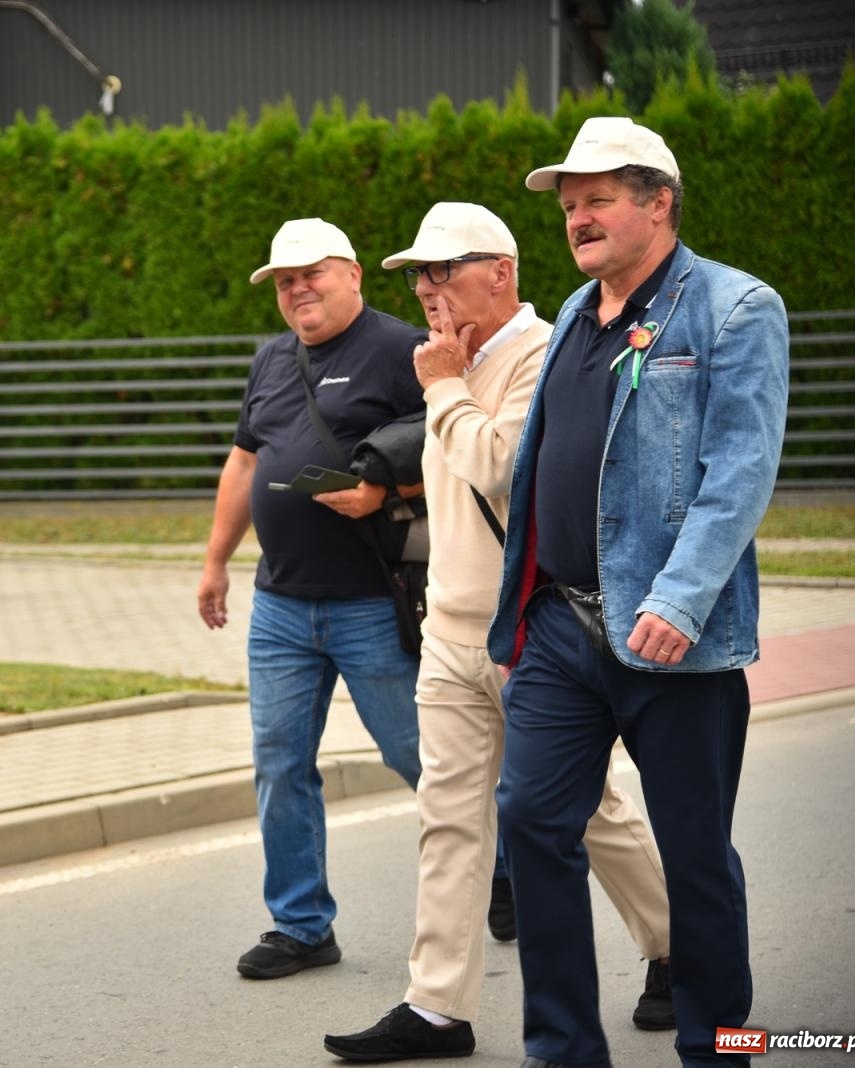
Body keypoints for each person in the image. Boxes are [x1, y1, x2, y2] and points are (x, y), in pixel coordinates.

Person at [322, 202, 673, 1063]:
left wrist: (440, 383)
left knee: (589, 809)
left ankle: (678, 948)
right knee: (446, 816)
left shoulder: (545, 352)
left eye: (444, 272)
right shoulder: (449, 359)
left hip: (534, 628)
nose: (428, 291)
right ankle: (439, 1006)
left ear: (502, 272)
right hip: (449, 627)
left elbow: (499, 463)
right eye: (417, 276)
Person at [488, 118, 789, 1067]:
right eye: (569, 206)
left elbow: (739, 472)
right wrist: (517, 605)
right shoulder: (578, 312)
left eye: (598, 199)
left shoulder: (736, 309)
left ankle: (720, 1048)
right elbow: (541, 466)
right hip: (559, 626)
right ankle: (564, 1050)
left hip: (672, 637)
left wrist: (680, 598)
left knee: (695, 858)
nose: (577, 218)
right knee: (532, 822)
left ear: (660, 201)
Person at [198, 217, 426, 980]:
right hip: (281, 606)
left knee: (421, 755)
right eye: (285, 280)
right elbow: (243, 465)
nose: (298, 289)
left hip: (371, 600)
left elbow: (465, 445)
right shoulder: (271, 360)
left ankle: (502, 873)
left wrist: (383, 487)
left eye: (312, 274)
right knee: (279, 762)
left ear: (353, 273)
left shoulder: (402, 349)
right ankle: (300, 925)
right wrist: (215, 562)